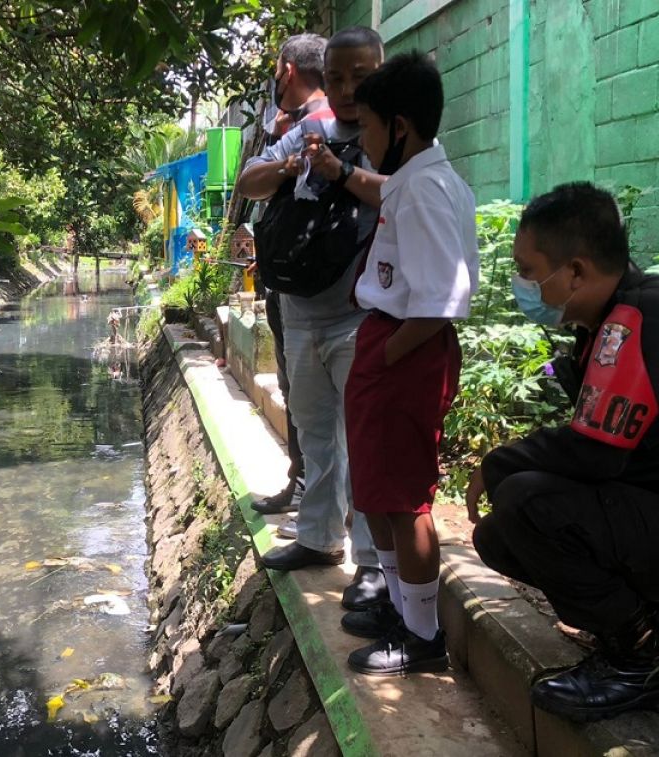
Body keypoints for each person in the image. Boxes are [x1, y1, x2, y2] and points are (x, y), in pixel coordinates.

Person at [465, 182, 659, 721]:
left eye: (526, 269)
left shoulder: (645, 316)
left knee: (525, 502)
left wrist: (499, 463)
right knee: (501, 534)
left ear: (577, 272)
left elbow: (594, 455)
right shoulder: (608, 322)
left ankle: (640, 663)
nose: (522, 283)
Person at [335, 52, 479, 676]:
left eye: (366, 126)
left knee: (403, 498)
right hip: (391, 346)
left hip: (406, 350)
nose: (361, 142)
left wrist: (388, 359)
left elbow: (441, 302)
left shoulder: (422, 189)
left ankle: (422, 636)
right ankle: (402, 609)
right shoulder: (414, 180)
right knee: (379, 494)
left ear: (400, 126)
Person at [235, 27, 387, 611]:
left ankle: (370, 562)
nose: (348, 89)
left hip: (357, 315)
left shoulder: (388, 137)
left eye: (361, 77)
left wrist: (342, 174)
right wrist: (295, 159)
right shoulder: (308, 129)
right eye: (339, 77)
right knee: (318, 435)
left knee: (363, 440)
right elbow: (252, 181)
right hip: (300, 315)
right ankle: (320, 539)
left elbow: (402, 196)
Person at [248, 32, 331, 519]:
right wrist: (287, 159)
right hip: (294, 288)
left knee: (313, 400)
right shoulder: (294, 132)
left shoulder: (325, 123)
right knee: (303, 396)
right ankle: (305, 487)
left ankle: (312, 492)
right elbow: (251, 183)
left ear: (288, 70)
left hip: (322, 292)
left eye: (277, 72)